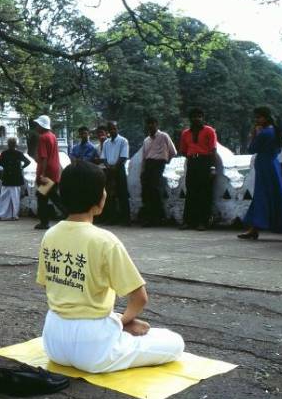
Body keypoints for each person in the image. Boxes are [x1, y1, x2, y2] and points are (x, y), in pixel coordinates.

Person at [37, 161, 184, 373]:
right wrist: (122, 322)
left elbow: (49, 286)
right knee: (175, 342)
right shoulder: (105, 241)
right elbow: (139, 298)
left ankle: (113, 324)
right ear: (100, 200)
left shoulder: (49, 235)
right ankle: (116, 327)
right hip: (93, 348)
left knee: (110, 319)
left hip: (54, 343)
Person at [238, 108, 282, 240]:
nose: (256, 120)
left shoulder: (264, 133)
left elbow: (252, 149)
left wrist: (254, 135)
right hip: (273, 164)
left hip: (265, 166)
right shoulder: (275, 131)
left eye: (259, 117)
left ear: (266, 118)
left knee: (262, 195)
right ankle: (255, 228)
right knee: (274, 195)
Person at [179, 108, 217, 231]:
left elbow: (213, 150)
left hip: (205, 161)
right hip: (192, 162)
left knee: (204, 192)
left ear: (202, 118)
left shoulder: (209, 131)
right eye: (194, 117)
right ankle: (188, 221)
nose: (197, 119)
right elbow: (183, 150)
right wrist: (192, 157)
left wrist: (212, 167)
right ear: (190, 119)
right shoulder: (185, 133)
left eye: (199, 116)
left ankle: (203, 222)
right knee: (191, 191)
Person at [140, 118, 177, 227]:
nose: (150, 126)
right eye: (148, 124)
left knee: (155, 190)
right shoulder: (146, 140)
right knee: (146, 192)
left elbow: (173, 152)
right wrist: (142, 170)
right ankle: (149, 218)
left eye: (152, 123)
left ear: (157, 124)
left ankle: (159, 218)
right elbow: (144, 157)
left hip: (159, 164)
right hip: (148, 165)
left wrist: (165, 161)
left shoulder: (164, 136)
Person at [34, 115, 65, 230]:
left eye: (37, 125)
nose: (36, 127)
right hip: (54, 170)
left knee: (42, 197)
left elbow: (44, 157)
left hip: (47, 172)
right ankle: (69, 215)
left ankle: (44, 222)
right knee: (52, 195)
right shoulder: (52, 136)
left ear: (41, 125)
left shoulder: (43, 137)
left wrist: (41, 174)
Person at [100, 122, 130, 225]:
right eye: (110, 129)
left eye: (114, 128)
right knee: (109, 195)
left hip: (119, 169)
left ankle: (125, 219)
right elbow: (103, 157)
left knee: (122, 194)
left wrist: (115, 167)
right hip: (108, 170)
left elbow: (123, 157)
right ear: (108, 131)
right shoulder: (106, 143)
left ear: (117, 129)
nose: (112, 131)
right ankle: (111, 218)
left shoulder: (123, 141)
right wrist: (108, 166)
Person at [0, 137, 30, 221]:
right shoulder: (18, 153)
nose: (11, 145)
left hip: (9, 177)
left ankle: (3, 214)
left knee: (5, 197)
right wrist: (21, 168)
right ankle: (13, 215)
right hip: (14, 177)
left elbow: (1, 165)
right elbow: (27, 162)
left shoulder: (5, 153)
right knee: (14, 197)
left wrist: (21, 167)